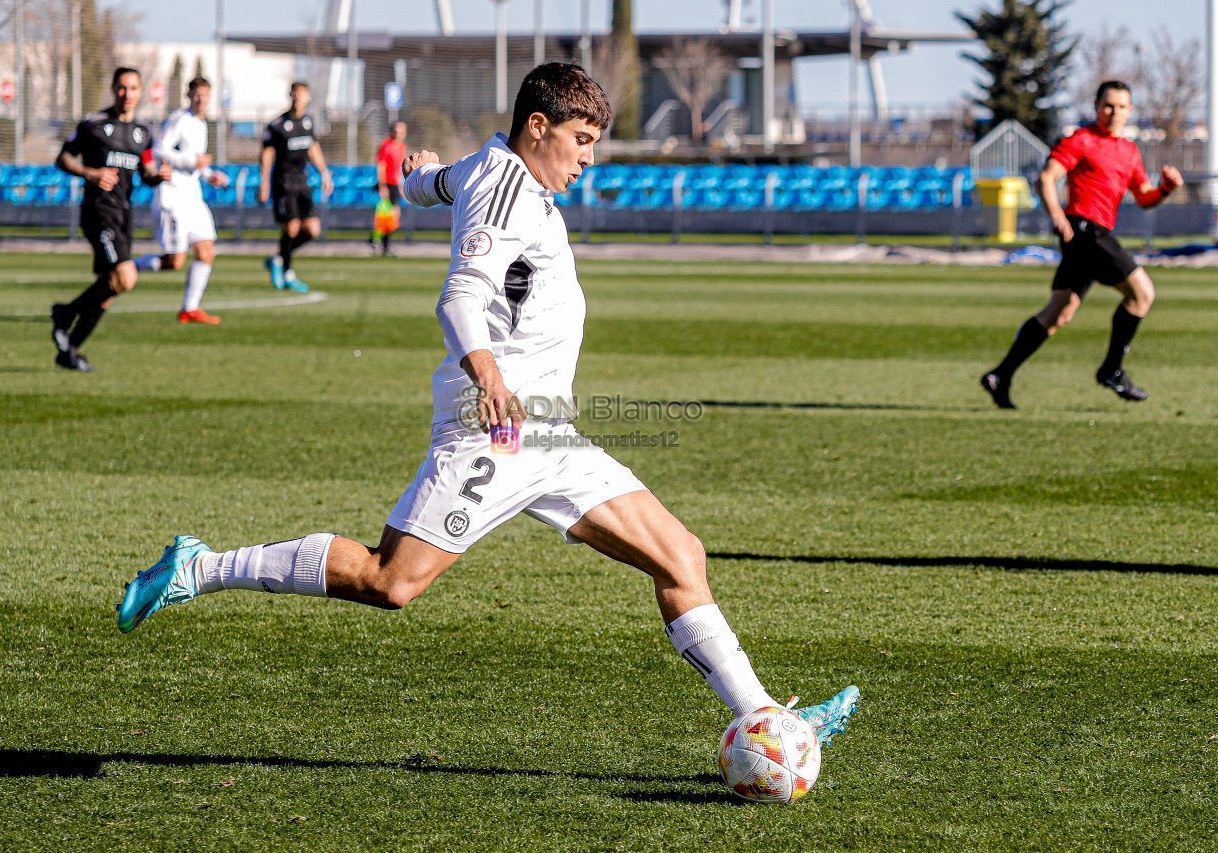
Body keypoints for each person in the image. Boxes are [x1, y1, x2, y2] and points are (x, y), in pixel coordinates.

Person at [116, 64, 859, 749]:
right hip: (495, 429)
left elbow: (437, 184)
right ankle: (200, 567)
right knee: (390, 580)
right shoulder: (507, 191)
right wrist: (490, 379)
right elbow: (460, 296)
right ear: (538, 126)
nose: (589, 158)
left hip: (551, 433)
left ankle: (767, 718)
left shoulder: (490, 167)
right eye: (581, 140)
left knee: (680, 555)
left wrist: (415, 179)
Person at [981, 80, 1183, 409]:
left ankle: (1000, 375)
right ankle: (1112, 370)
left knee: (1059, 312)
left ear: (1130, 110)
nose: (1114, 112)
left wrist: (1166, 189)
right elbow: (1046, 178)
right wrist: (1057, 215)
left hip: (1089, 235)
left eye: (1121, 106)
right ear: (1096, 106)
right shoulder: (1082, 140)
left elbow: (1144, 197)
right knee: (1143, 294)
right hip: (1085, 230)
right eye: (1108, 105)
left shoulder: (1129, 151)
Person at [50, 67, 172, 372]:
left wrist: (158, 176)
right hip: (98, 211)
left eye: (133, 88)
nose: (127, 94)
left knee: (109, 287)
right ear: (113, 88)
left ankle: (70, 350)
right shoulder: (93, 124)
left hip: (124, 215)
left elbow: (146, 172)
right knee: (126, 277)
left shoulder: (143, 133)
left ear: (141, 92)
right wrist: (90, 173)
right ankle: (65, 313)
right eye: (122, 87)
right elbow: (63, 157)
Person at [133, 76, 231, 325]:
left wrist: (209, 175)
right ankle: (129, 267)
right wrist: (191, 161)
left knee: (206, 250)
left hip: (193, 197)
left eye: (205, 95)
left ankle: (190, 308)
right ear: (189, 96)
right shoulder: (179, 119)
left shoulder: (201, 124)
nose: (201, 99)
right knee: (175, 261)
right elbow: (158, 150)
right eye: (196, 95)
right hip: (173, 197)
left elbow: (196, 163)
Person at [259, 82, 334, 293]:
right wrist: (264, 182)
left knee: (313, 229)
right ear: (290, 96)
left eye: (301, 94)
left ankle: (277, 258)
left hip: (302, 182)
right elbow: (266, 154)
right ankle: (288, 273)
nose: (297, 98)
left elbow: (313, 148)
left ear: (307, 97)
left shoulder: (308, 122)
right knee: (292, 228)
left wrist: (324, 173)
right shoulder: (277, 125)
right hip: (283, 183)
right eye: (294, 94)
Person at [372, 121, 407, 257]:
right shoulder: (386, 145)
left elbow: (399, 169)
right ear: (392, 132)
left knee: (393, 216)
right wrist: (382, 186)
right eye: (397, 131)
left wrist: (401, 186)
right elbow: (381, 166)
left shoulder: (402, 147)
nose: (399, 134)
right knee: (389, 215)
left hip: (395, 185)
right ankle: (381, 243)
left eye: (402, 132)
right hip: (386, 184)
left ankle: (379, 242)